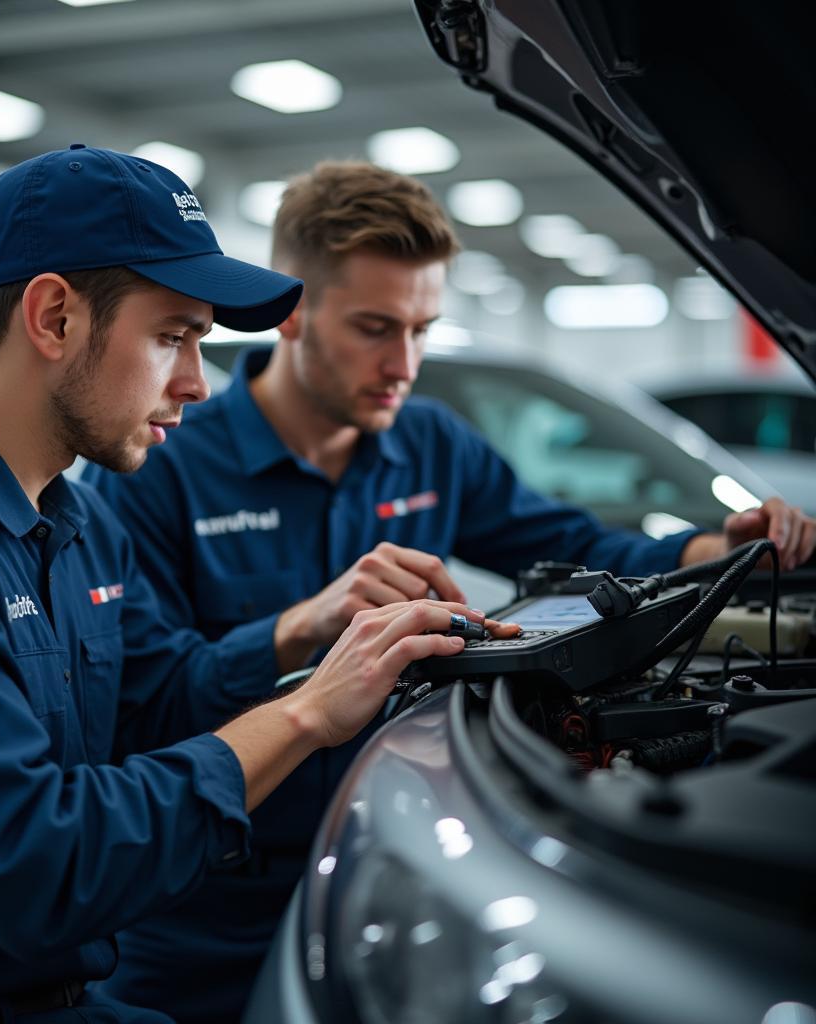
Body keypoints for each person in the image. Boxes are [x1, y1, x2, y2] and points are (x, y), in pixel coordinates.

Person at [0, 147, 512, 1024]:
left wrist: (321, 649)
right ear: (53, 317)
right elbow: (32, 863)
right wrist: (304, 715)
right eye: (173, 336)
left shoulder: (75, 523)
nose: (197, 384)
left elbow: (150, 707)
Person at [85, 159, 816, 1022]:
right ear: (292, 315)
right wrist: (299, 626)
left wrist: (716, 546)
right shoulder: (157, 463)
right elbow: (140, 705)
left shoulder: (432, 444)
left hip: (383, 871)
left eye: (422, 329)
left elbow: (577, 547)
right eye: (374, 328)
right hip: (202, 916)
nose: (404, 364)